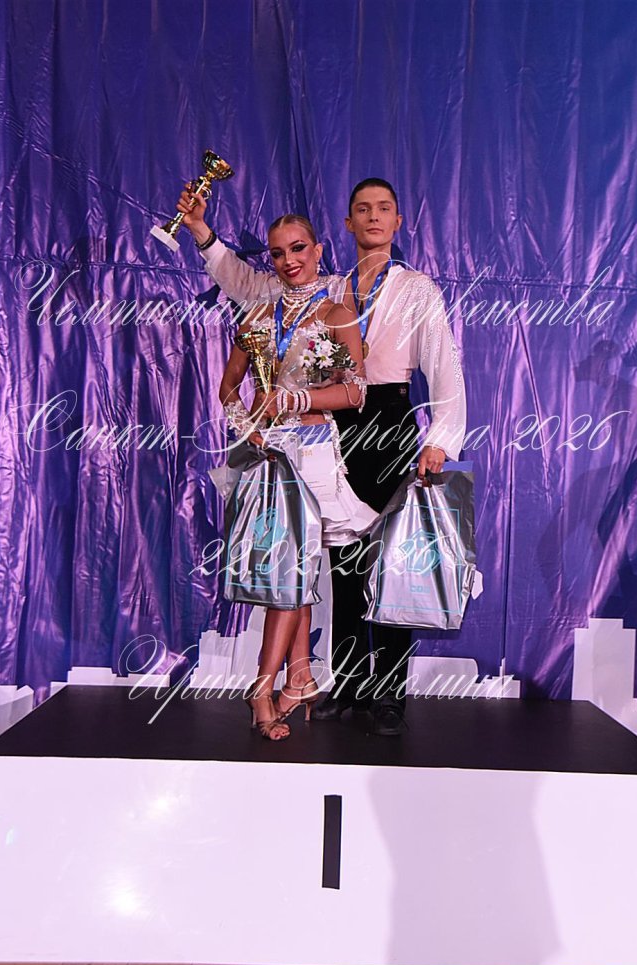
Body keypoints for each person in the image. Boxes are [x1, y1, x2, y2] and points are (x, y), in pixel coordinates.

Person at [177, 178, 467, 736]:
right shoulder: (328, 287)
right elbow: (246, 284)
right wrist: (202, 233)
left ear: (398, 221)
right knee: (340, 562)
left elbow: (444, 365)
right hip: (331, 424)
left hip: (387, 418)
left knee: (390, 557)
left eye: (384, 208)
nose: (373, 217)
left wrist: (441, 438)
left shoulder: (417, 289)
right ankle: (350, 684)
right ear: (347, 224)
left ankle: (389, 695)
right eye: (362, 209)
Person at [206, 209, 376, 741]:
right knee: (288, 576)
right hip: (270, 459)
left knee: (294, 575)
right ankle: (294, 679)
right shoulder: (259, 316)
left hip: (316, 455)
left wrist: (298, 399)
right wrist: (250, 429)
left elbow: (356, 392)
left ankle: (270, 686)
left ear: (318, 250)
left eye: (298, 248)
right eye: (278, 253)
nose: (289, 260)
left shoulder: (337, 313)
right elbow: (228, 390)